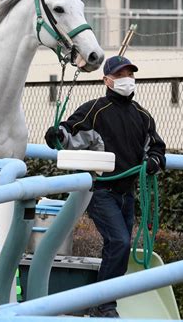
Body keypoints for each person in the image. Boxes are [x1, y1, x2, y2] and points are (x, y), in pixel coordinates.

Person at [44, 55, 166, 318]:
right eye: (121, 75)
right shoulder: (94, 110)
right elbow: (68, 134)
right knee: (119, 242)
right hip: (101, 191)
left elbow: (156, 146)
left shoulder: (143, 116)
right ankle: (104, 303)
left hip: (128, 193)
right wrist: (57, 135)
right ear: (107, 80)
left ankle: (101, 301)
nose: (127, 80)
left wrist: (155, 160)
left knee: (119, 247)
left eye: (130, 74)